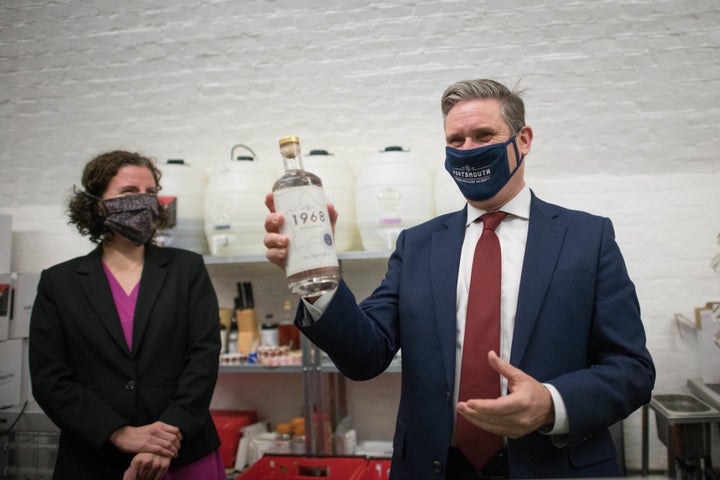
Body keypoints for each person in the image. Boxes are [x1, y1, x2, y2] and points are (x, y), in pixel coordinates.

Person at [263, 79, 655, 479]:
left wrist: (551, 403)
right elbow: (366, 356)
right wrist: (321, 276)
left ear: (524, 139)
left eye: (483, 135)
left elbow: (632, 369)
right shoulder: (418, 246)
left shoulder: (587, 239)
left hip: (550, 464)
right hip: (437, 467)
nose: (468, 150)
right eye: (456, 140)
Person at [29, 151, 224, 480]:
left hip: (183, 452)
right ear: (96, 204)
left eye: (150, 193)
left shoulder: (186, 269)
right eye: (128, 192)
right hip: (95, 456)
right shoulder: (58, 283)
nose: (143, 201)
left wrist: (164, 439)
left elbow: (203, 357)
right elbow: (50, 379)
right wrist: (118, 433)